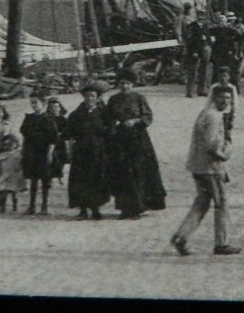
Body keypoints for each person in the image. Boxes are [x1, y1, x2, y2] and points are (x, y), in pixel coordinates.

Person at [170, 84, 240, 256]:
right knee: (221, 203)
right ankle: (221, 243)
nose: (225, 101)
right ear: (214, 98)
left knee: (201, 202)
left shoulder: (204, 113)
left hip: (197, 165)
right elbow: (211, 145)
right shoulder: (214, 116)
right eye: (222, 97)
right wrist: (225, 153)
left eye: (228, 98)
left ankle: (181, 236)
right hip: (212, 167)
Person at [105, 68, 167, 219]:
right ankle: (125, 208)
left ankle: (139, 206)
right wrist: (114, 127)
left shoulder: (139, 98)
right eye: (121, 83)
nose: (124, 86)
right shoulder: (113, 100)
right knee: (123, 171)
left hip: (138, 139)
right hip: (120, 140)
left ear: (132, 84)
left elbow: (148, 116)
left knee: (138, 171)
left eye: (127, 83)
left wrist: (135, 121)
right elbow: (107, 118)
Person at [65, 81, 112, 220]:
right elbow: (68, 133)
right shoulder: (76, 114)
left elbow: (110, 130)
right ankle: (83, 209)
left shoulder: (104, 113)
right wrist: (70, 150)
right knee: (81, 180)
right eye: (87, 96)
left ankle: (96, 208)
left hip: (98, 151)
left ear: (97, 97)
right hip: (81, 151)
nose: (89, 99)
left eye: (92, 96)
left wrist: (107, 146)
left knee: (97, 179)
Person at [20, 93, 60, 215]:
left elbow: (53, 139)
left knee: (45, 180)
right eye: (32, 103)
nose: (33, 105)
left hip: (43, 151)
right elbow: (25, 135)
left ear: (43, 103)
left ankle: (44, 206)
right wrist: (23, 149)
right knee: (33, 179)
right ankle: (32, 206)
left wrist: (50, 153)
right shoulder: (29, 118)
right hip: (31, 151)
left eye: (35, 102)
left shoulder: (48, 119)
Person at [182, 10, 213, 99]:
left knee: (204, 71)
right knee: (192, 71)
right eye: (200, 16)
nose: (201, 18)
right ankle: (189, 91)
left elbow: (208, 38)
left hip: (204, 50)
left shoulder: (206, 26)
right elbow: (189, 40)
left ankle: (201, 90)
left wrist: (209, 45)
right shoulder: (192, 26)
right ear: (197, 16)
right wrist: (193, 51)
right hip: (194, 51)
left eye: (203, 16)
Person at [45, 96, 70, 185]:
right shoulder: (47, 119)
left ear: (60, 108)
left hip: (61, 142)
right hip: (51, 142)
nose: (54, 109)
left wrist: (62, 135)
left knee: (62, 159)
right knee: (52, 159)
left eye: (56, 107)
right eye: (52, 107)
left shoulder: (63, 119)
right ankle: (50, 178)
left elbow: (68, 131)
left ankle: (60, 176)